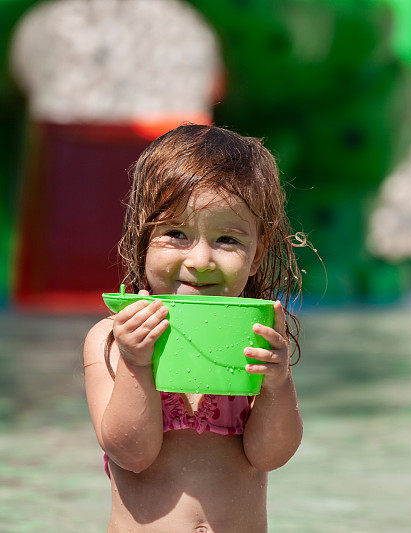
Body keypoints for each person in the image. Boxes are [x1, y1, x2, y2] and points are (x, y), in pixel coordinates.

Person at [83, 124, 303, 530]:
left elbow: (272, 455)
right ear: (142, 239)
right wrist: (136, 364)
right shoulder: (111, 339)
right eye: (176, 234)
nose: (201, 260)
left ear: (256, 256)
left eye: (227, 241)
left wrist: (277, 385)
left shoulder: (254, 338)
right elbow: (131, 453)